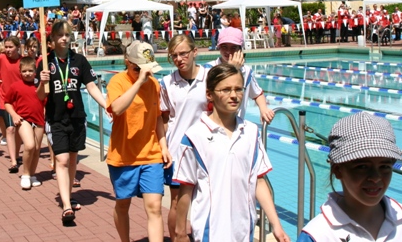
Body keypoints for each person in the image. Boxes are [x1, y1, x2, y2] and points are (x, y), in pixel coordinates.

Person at [173, 64, 289, 242]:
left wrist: (277, 225)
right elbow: (186, 188)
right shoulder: (194, 136)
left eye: (238, 89)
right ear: (209, 94)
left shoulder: (251, 132)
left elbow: (258, 180)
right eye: (226, 90)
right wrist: (180, 232)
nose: (234, 95)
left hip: (244, 231)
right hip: (209, 232)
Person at [298, 112, 402, 241]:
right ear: (338, 170)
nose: (376, 177)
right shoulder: (318, 235)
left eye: (384, 167)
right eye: (362, 167)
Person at [37, 20, 107, 225]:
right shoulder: (45, 62)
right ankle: (66, 205)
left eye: (67, 34)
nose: (64, 38)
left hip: (76, 116)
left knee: (73, 160)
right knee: (62, 160)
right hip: (56, 118)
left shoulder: (79, 60)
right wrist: (42, 82)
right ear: (51, 40)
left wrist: (106, 105)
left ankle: (67, 195)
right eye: (59, 35)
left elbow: (92, 86)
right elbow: (39, 95)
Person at [106, 40, 171, 242]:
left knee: (154, 207)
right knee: (123, 204)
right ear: (127, 62)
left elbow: (158, 117)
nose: (144, 72)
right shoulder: (117, 82)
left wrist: (164, 146)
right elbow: (116, 108)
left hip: (151, 155)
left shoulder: (154, 85)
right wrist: (138, 83)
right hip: (123, 156)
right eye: (138, 68)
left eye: (148, 68)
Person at [159, 35, 211, 239]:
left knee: (208, 199)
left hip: (206, 149)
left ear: (194, 52)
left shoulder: (209, 77)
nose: (179, 59)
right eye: (174, 55)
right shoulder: (166, 83)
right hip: (177, 151)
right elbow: (163, 119)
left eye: (183, 53)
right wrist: (163, 148)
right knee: (177, 202)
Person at [205, 27, 275, 123]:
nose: (228, 51)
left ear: (240, 49)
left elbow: (257, 94)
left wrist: (263, 109)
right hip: (213, 125)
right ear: (218, 46)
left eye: (233, 47)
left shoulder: (246, 71)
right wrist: (231, 68)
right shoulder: (208, 68)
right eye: (224, 46)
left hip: (237, 125)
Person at [5, 56, 49, 190]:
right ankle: (25, 174)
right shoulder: (16, 86)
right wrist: (14, 115)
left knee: (36, 149)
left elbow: (44, 102)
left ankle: (32, 174)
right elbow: (7, 102)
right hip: (23, 119)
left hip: (39, 119)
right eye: (24, 71)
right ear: (20, 71)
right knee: (29, 145)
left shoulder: (40, 85)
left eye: (30, 71)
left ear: (35, 71)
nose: (27, 73)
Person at [0, 36, 24, 172]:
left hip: (21, 99)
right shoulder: (1, 58)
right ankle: (13, 161)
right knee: (10, 129)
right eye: (6, 47)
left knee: (19, 129)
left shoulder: (22, 61)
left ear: (17, 47)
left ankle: (17, 154)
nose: (7, 50)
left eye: (10, 47)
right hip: (6, 99)